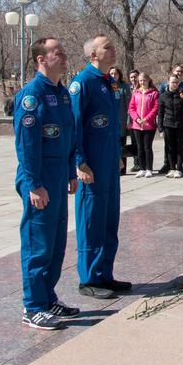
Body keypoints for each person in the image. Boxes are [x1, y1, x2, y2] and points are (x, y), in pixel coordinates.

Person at [14, 37, 78, 330]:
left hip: (57, 178)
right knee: (38, 244)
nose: (64, 57)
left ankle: (48, 298)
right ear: (42, 59)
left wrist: (70, 172)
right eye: (58, 53)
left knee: (55, 244)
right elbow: (26, 146)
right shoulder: (32, 95)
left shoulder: (62, 93)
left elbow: (67, 137)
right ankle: (33, 306)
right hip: (39, 180)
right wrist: (32, 184)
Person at [69, 35, 131, 300]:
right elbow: (74, 126)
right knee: (91, 221)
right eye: (108, 47)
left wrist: (118, 154)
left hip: (108, 163)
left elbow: (112, 126)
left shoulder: (109, 83)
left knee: (108, 220)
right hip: (90, 166)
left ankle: (105, 273)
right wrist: (79, 162)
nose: (113, 50)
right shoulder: (82, 83)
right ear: (93, 55)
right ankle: (89, 278)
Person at [158, 71, 183, 178]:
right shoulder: (163, 96)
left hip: (180, 125)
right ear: (168, 83)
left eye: (176, 82)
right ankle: (171, 168)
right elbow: (160, 113)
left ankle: (179, 168)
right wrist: (160, 129)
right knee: (170, 147)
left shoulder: (181, 95)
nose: (174, 84)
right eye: (172, 82)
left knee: (179, 147)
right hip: (168, 125)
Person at [128, 73, 159, 177]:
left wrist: (146, 119)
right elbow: (131, 108)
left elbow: (155, 108)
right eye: (140, 81)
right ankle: (142, 168)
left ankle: (149, 168)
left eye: (144, 80)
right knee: (139, 147)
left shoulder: (154, 93)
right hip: (137, 126)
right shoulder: (136, 93)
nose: (142, 82)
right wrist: (136, 119)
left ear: (148, 80)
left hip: (149, 125)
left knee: (147, 147)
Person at [109, 66, 132, 175]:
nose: (114, 76)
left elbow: (129, 105)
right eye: (112, 73)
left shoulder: (124, 87)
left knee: (122, 146)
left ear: (119, 75)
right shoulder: (109, 85)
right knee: (113, 145)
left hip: (122, 120)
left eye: (115, 73)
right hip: (111, 120)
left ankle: (122, 169)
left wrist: (129, 120)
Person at [127, 68, 141, 170]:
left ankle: (142, 162)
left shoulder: (143, 88)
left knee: (141, 142)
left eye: (135, 76)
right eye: (131, 77)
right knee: (133, 142)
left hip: (141, 119)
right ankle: (136, 162)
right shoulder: (128, 88)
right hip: (131, 120)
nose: (134, 79)